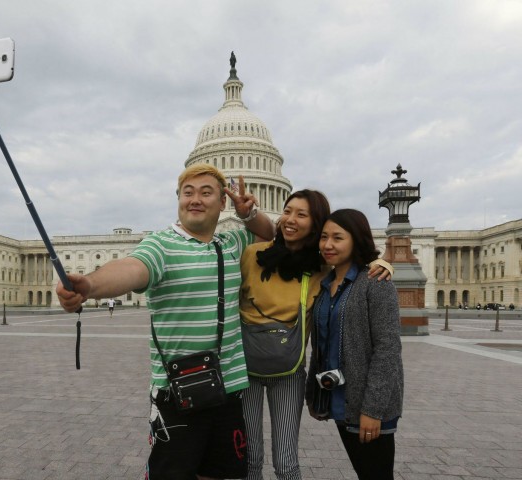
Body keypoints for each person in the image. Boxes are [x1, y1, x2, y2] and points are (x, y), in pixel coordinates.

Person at [56, 164, 275, 480]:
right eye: (188, 193)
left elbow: (268, 232)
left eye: (205, 192)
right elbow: (132, 269)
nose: (195, 199)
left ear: (223, 202)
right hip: (178, 393)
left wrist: (248, 214)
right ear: (179, 200)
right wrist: (89, 286)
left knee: (223, 474)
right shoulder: (160, 245)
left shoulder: (230, 244)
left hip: (227, 392)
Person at [239, 191, 392, 480]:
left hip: (289, 369)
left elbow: (355, 269)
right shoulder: (251, 255)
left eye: (302, 214)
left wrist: (382, 263)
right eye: (287, 211)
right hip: (245, 367)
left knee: (286, 462)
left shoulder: (322, 268)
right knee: (250, 459)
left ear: (315, 224)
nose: (290, 219)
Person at [306, 209, 404, 480]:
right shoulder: (327, 284)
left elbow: (388, 349)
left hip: (369, 403)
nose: (328, 244)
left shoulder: (375, 282)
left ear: (356, 240)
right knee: (364, 471)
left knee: (376, 474)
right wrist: (317, 395)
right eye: (324, 237)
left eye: (338, 237)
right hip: (341, 400)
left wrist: (373, 410)